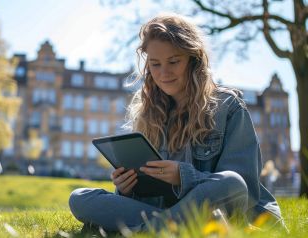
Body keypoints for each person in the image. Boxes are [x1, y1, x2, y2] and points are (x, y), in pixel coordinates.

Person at [69, 13, 285, 232]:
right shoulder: (147, 114)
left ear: (194, 59)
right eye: (155, 64)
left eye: (173, 61)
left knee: (232, 182)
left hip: (225, 210)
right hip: (178, 212)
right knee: (80, 198)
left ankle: (150, 231)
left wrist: (183, 177)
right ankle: (172, 228)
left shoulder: (228, 107)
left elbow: (243, 191)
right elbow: (146, 195)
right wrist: (126, 189)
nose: (164, 73)